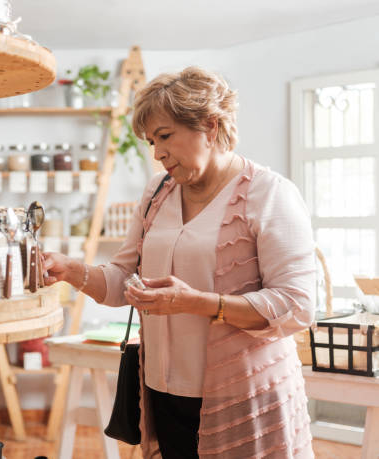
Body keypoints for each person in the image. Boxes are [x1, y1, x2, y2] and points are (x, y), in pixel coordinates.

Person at [42, 67, 316, 458]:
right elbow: (124, 279)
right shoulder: (157, 192)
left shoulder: (269, 194)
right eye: (152, 141)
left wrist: (198, 302)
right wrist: (72, 271)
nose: (157, 153)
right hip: (162, 392)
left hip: (242, 396)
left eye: (165, 136)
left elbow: (297, 305)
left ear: (210, 124)